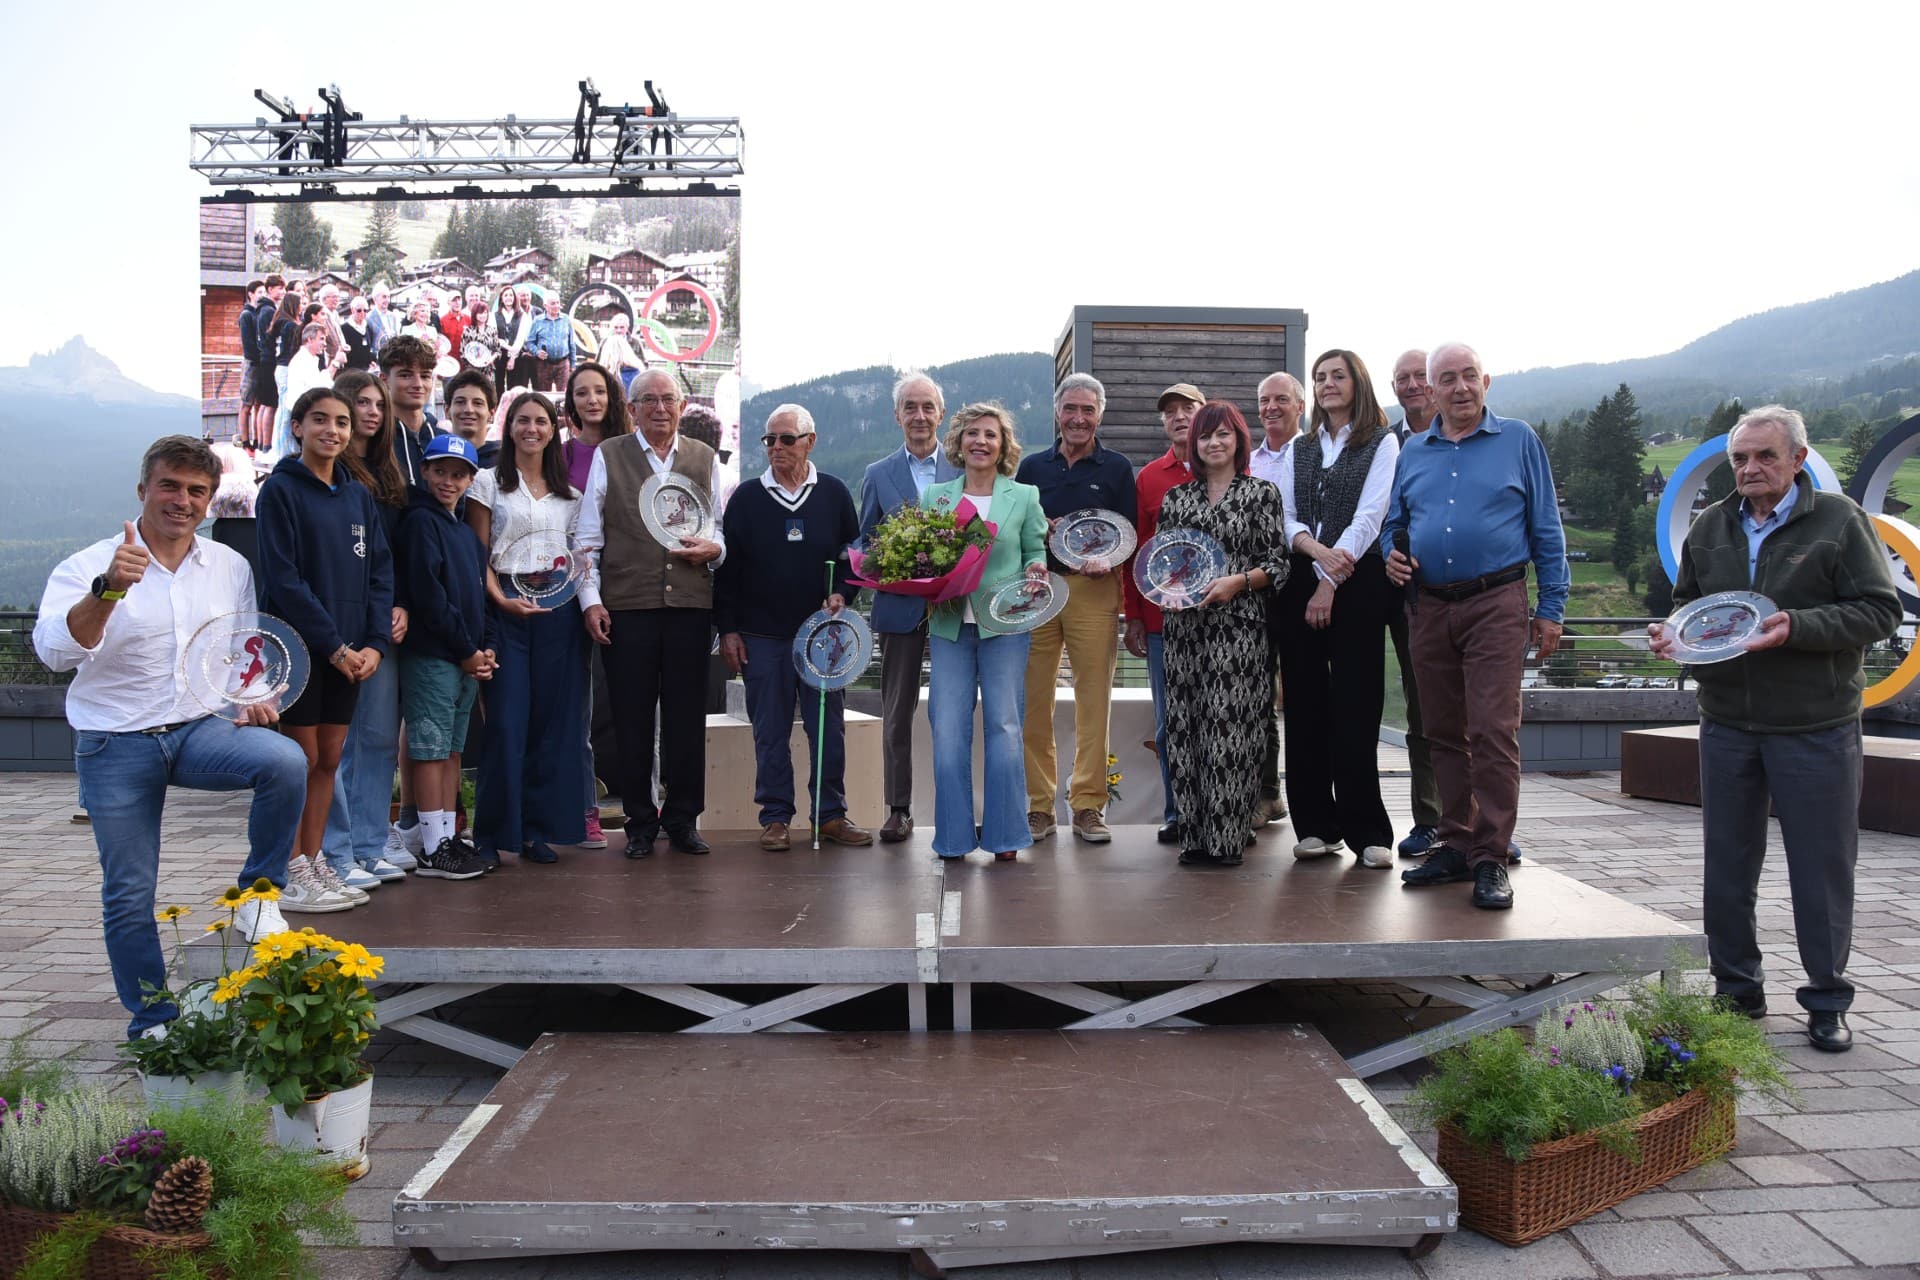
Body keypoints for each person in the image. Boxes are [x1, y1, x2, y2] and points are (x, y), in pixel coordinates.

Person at [33, 436, 314, 1037]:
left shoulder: (229, 566)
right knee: (130, 891)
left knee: (285, 762)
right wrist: (108, 591)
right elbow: (55, 654)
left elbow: (239, 646)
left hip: (195, 729)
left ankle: (260, 896)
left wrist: (254, 691)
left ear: (211, 501)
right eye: (170, 486)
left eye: (196, 491)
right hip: (116, 741)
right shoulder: (91, 565)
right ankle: (153, 1020)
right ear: (143, 491)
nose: (181, 501)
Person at [1651, 406, 1899, 1053]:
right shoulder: (1710, 526)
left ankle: (1826, 1000)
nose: (1750, 469)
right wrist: (1671, 636)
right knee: (1727, 868)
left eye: (1764, 456)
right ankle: (1737, 991)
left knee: (1819, 870)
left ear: (1796, 459)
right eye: (1740, 458)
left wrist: (1799, 627)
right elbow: (1690, 607)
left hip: (1815, 724)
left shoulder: (1840, 522)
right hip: (1729, 721)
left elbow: (1880, 610)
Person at [1385, 343, 1568, 910]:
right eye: (1448, 379)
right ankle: (1458, 844)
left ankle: (1491, 856)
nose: (1460, 387)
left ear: (1485, 382)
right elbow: (1396, 523)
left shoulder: (1518, 439)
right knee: (1442, 731)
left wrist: (1552, 606)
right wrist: (1391, 555)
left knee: (1491, 729)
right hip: (1429, 605)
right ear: (1430, 391)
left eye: (1469, 376)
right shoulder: (1413, 450)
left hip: (1497, 601)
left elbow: (1547, 526)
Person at [255, 388, 397, 911]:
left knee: (330, 758)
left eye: (341, 420)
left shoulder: (358, 495)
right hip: (299, 649)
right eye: (319, 420)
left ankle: (315, 861)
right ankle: (290, 868)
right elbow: (284, 580)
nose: (332, 430)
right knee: (302, 758)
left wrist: (375, 644)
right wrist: (335, 647)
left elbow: (380, 573)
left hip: (351, 655)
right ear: (297, 427)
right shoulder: (279, 491)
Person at [576, 368, 726, 855]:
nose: (660, 408)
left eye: (669, 399)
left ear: (682, 406)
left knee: (687, 718)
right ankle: (640, 822)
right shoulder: (609, 454)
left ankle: (682, 820)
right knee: (631, 717)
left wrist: (714, 550)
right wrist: (591, 600)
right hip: (627, 606)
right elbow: (587, 539)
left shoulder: (704, 458)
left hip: (688, 605)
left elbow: (719, 528)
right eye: (649, 400)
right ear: (633, 408)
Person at [716, 405, 871, 851]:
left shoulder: (835, 493)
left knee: (828, 729)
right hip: (762, 636)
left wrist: (844, 593)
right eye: (770, 440)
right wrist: (728, 628)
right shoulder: (745, 497)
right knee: (770, 729)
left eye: (786, 439)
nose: (777, 448)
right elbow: (727, 572)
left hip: (824, 637)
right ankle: (776, 817)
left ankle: (830, 815)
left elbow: (852, 558)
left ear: (810, 441)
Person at [1276, 350, 1402, 870]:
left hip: (1358, 580)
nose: (1328, 384)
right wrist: (1314, 554)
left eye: (1337, 376)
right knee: (1303, 705)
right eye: (1321, 377)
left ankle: (1367, 831)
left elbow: (1371, 515)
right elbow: (1284, 516)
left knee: (1355, 704)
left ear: (1357, 383)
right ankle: (1316, 827)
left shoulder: (1382, 441)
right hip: (1302, 575)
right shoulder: (1299, 448)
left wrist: (1330, 575)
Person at [1160, 401, 1287, 866]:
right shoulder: (1177, 499)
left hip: (1240, 631)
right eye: (1204, 436)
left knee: (1232, 730)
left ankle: (1229, 839)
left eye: (1223, 434)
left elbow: (1278, 563)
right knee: (1186, 726)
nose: (1213, 443)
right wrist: (1173, 586)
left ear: (1238, 440)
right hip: (1185, 629)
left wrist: (1239, 582)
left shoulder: (1262, 494)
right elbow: (1162, 563)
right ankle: (1194, 837)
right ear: (1193, 445)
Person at [466, 391, 591, 864]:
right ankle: (491, 836)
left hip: (558, 616)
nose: (531, 429)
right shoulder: (485, 484)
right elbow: (478, 555)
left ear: (552, 429)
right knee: (506, 722)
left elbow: (579, 560)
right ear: (509, 426)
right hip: (505, 614)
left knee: (550, 725)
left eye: (541, 421)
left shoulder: (570, 497)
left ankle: (537, 830)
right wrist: (500, 600)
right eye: (522, 420)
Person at [923, 403, 1050, 860]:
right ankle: (953, 837)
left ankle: (1005, 836)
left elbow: (1035, 548)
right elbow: (923, 559)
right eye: (972, 433)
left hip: (1006, 626)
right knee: (948, 731)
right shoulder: (934, 497)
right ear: (958, 442)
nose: (980, 441)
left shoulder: (1025, 495)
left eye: (990, 435)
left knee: (1005, 728)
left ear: (1003, 446)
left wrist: (1037, 567)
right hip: (949, 626)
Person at [1015, 372, 1137, 843]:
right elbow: (1019, 529)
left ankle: (1088, 804)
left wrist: (1107, 557)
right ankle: (1040, 807)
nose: (1079, 418)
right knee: (1035, 702)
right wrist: (1039, 530)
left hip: (1094, 589)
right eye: (1071, 409)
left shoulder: (1117, 467)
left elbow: (1126, 533)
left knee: (1093, 701)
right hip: (1039, 588)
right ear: (1057, 413)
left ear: (1099, 415)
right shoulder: (1031, 468)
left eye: (1088, 410)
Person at [318, 371, 414, 891]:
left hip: (384, 627)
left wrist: (399, 607)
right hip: (335, 631)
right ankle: (337, 851)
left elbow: (390, 559)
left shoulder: (390, 477)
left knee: (377, 741)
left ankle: (370, 845)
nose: (372, 412)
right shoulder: (327, 477)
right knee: (337, 745)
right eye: (361, 403)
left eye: (379, 404)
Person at [859, 372, 960, 842]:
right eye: (910, 407)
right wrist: (881, 561)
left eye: (927, 407)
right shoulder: (878, 474)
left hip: (955, 608)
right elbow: (864, 539)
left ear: (941, 414)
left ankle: (955, 808)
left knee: (953, 708)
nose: (919, 416)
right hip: (898, 608)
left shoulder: (964, 470)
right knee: (897, 711)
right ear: (897, 415)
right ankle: (899, 808)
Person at [391, 432, 496, 880]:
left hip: (466, 661)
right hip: (434, 657)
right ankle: (433, 848)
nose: (448, 481)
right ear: (426, 471)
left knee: (452, 750)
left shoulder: (466, 537)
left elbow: (480, 597)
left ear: (471, 479)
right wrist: (466, 650)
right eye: (440, 471)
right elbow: (428, 597)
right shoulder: (419, 522)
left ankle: (447, 836)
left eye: (458, 474)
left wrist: (485, 647)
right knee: (430, 751)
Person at [1122, 382, 1202, 845]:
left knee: (1217, 716)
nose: (1178, 417)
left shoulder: (1233, 470)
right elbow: (1137, 550)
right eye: (1170, 411)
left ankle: (1222, 810)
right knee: (1170, 721)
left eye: (1187, 408)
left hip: (1218, 619)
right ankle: (1176, 813)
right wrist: (1133, 613)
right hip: (1160, 624)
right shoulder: (1149, 477)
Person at [1387, 350, 1447, 858]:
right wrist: (1390, 552)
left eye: (1419, 376)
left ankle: (1482, 822)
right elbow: (1385, 518)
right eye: (1402, 378)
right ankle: (1430, 819)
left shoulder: (1475, 437)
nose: (1412, 385)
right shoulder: (1387, 442)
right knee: (1421, 709)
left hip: (1471, 597)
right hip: (1402, 597)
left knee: (1476, 715)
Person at [1249, 371, 1305, 825]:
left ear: (1299, 406)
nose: (1271, 407)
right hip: (1261, 587)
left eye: (1281, 399)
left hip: (1307, 581)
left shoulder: (1315, 455)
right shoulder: (1249, 462)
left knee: (1306, 694)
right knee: (1258, 691)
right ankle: (1268, 792)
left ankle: (1313, 798)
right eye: (1265, 400)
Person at [381, 335, 443, 492]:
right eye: (406, 375)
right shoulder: (375, 440)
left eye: (425, 376)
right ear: (384, 380)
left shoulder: (442, 440)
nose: (418, 384)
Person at [443, 368, 500, 469]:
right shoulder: (436, 460)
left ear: (491, 413)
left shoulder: (503, 464)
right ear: (447, 410)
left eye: (477, 403)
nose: (468, 410)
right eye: (460, 402)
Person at [236, 280, 266, 449]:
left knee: (258, 404)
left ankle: (257, 440)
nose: (262, 296)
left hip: (261, 364)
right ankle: (245, 441)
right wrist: (257, 358)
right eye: (259, 292)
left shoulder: (259, 313)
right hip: (252, 363)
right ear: (251, 294)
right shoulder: (246, 315)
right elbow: (248, 344)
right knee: (246, 404)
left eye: (264, 292)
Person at [527, 292, 575, 394]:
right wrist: (537, 352)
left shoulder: (566, 320)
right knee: (545, 396)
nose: (556, 306)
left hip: (563, 363)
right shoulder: (537, 321)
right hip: (544, 364)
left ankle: (561, 410)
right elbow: (529, 343)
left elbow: (572, 344)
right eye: (553, 303)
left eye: (558, 303)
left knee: (564, 396)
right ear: (545, 306)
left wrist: (573, 365)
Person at [597, 313, 646, 394]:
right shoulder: (606, 342)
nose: (619, 330)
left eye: (622, 327)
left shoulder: (635, 343)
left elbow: (644, 363)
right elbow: (598, 361)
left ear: (627, 328)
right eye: (616, 327)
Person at [494, 283, 529, 397]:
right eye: (506, 295)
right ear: (501, 299)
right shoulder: (494, 315)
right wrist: (506, 347)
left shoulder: (522, 316)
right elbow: (495, 337)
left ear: (515, 298)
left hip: (516, 356)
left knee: (514, 388)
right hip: (499, 355)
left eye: (511, 295)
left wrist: (512, 356)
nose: (508, 298)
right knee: (498, 386)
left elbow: (520, 338)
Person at [340, 296, 376, 372]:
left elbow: (369, 348)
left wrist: (371, 360)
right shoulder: (344, 328)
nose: (362, 313)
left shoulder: (367, 326)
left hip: (366, 369)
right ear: (352, 310)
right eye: (359, 310)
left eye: (365, 310)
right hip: (351, 370)